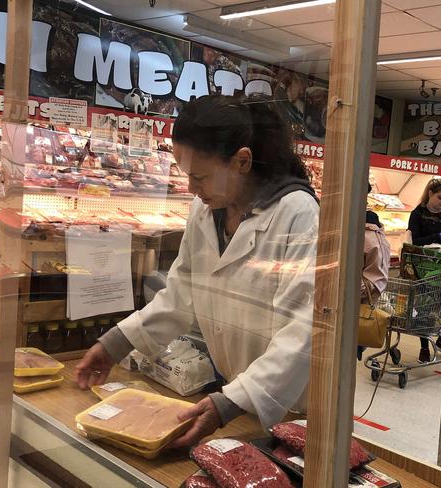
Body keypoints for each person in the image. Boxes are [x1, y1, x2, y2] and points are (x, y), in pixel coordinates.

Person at [75, 95, 319, 448]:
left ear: (242, 161)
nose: (191, 188)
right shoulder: (205, 211)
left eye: (199, 176)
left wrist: (232, 401)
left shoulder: (298, 214)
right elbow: (181, 293)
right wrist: (116, 342)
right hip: (234, 396)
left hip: (290, 405)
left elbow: (303, 328)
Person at [407, 178, 441, 363]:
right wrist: (436, 236)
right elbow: (414, 240)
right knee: (423, 307)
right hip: (424, 267)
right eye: (440, 197)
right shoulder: (418, 214)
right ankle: (424, 346)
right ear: (430, 194)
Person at [357, 184, 392, 360]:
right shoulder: (357, 228)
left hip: (356, 306)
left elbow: (375, 281)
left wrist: (341, 286)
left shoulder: (371, 237)